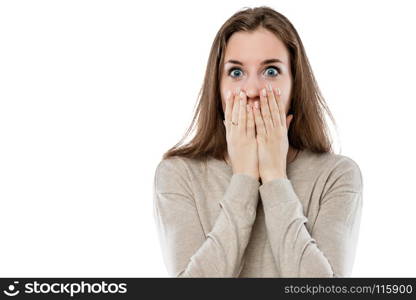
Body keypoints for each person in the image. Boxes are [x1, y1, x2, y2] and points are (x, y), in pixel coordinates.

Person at [153, 6, 363, 277]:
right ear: (217, 87)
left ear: (295, 84)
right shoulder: (178, 174)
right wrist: (245, 177)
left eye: (271, 71)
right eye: (236, 73)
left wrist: (275, 176)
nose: (252, 90)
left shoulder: (336, 176)